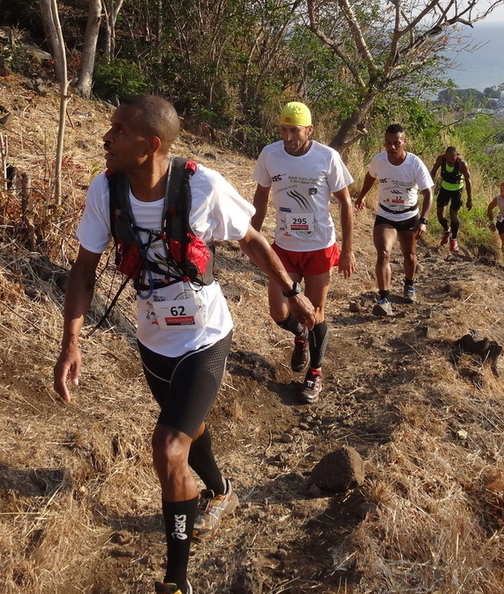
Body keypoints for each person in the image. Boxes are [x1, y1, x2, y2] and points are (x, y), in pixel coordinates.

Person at [53, 95, 315, 594]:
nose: (106, 138)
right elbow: (84, 268)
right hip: (152, 337)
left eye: (119, 130)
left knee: (168, 445)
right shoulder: (106, 190)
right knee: (187, 428)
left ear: (151, 144)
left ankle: (175, 581)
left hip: (205, 335)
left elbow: (251, 239)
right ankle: (221, 491)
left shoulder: (202, 185)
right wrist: (71, 343)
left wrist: (291, 290)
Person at [251, 101, 355, 404]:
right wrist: (251, 237)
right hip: (284, 246)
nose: (287, 136)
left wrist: (347, 250)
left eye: (294, 130)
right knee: (279, 313)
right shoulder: (270, 154)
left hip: (319, 247)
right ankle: (300, 336)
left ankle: (315, 372)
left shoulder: (327, 157)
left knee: (315, 314)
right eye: (283, 129)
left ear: (309, 130)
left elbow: (346, 203)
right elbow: (261, 196)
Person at [354, 124, 433, 316]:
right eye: (388, 143)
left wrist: (423, 220)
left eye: (396, 143)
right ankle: (384, 299)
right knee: (383, 253)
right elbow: (370, 177)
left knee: (409, 255)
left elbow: (428, 193)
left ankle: (409, 284)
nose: (392, 147)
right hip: (386, 214)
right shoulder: (379, 160)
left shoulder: (414, 164)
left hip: (409, 216)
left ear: (404, 142)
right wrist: (362, 196)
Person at [429, 146, 472, 252]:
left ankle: (454, 239)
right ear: (445, 155)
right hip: (444, 188)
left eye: (452, 159)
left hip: (457, 190)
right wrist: (428, 186)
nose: (450, 161)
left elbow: (468, 180)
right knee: (440, 214)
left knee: (453, 214)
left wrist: (469, 199)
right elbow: (433, 172)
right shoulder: (441, 159)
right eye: (448, 159)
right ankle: (447, 231)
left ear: (456, 156)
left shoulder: (462, 164)